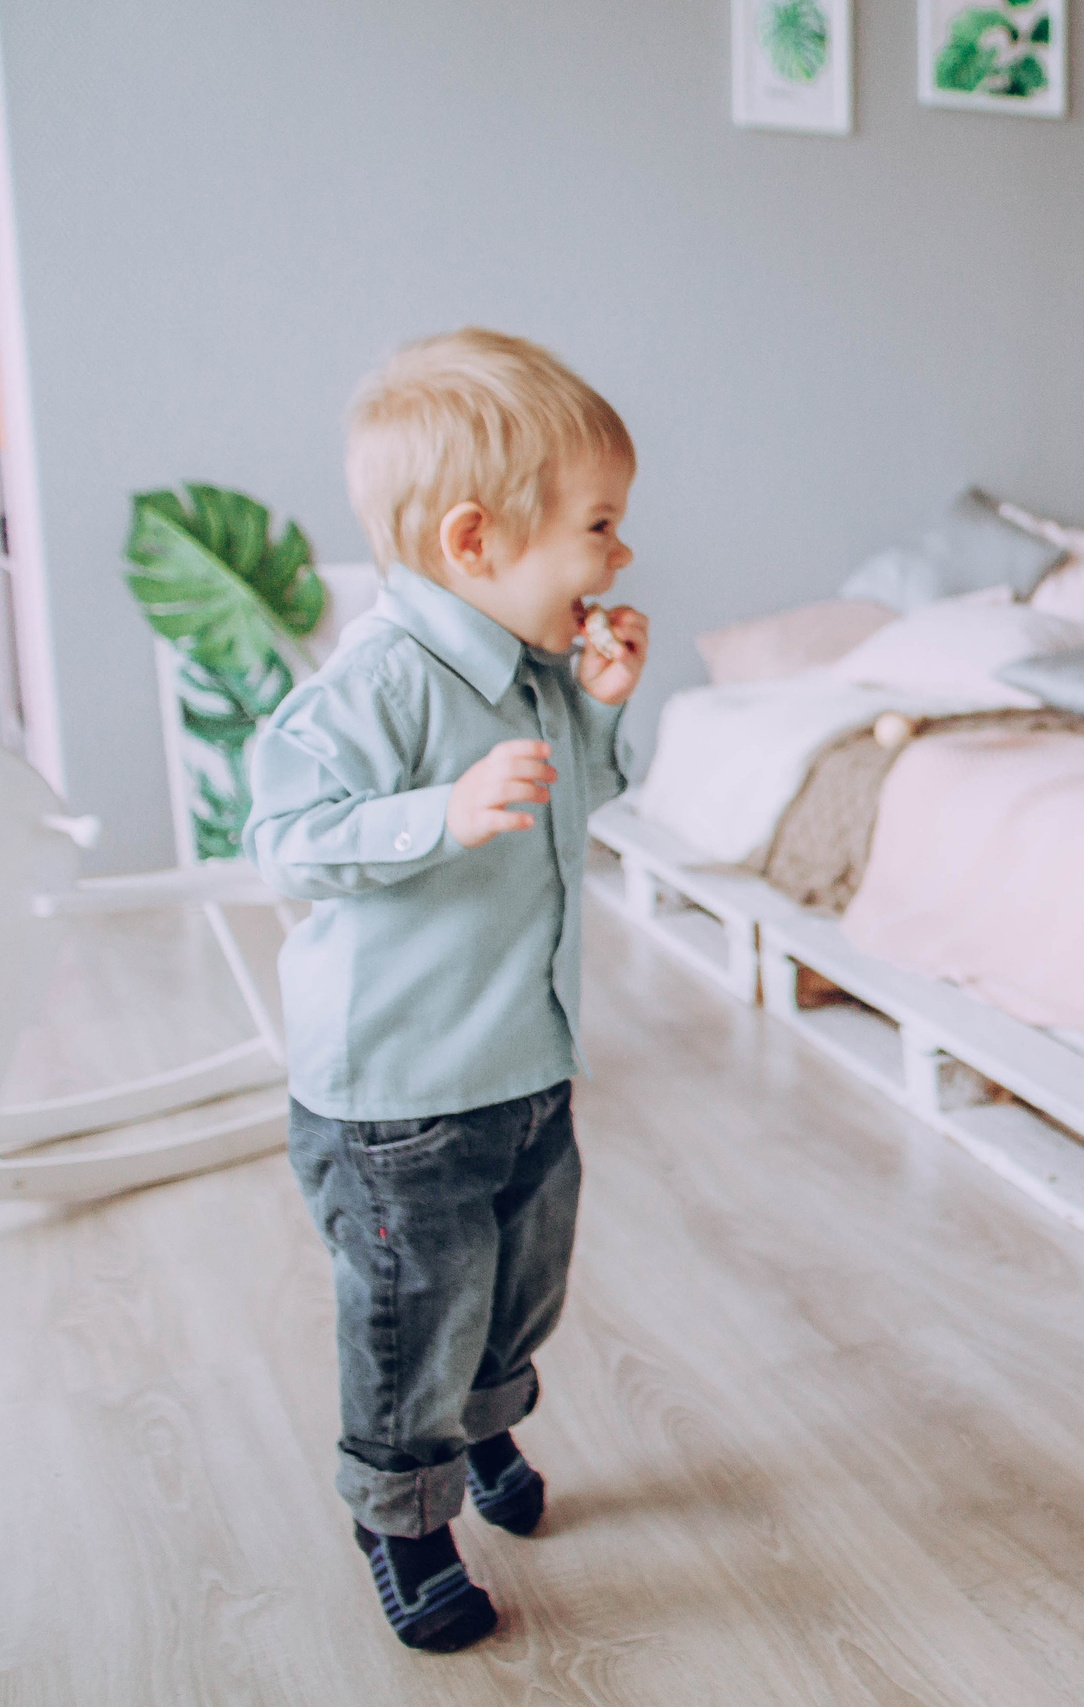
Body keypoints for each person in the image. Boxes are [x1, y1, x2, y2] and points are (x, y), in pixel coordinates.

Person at [246, 328, 649, 1652]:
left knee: (517, 1288)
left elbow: (578, 807)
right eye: (598, 525)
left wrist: (598, 708)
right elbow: (285, 844)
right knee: (416, 1313)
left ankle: (480, 1438)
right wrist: (440, 812)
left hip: (522, 1065)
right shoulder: (378, 684)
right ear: (478, 543)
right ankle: (402, 1517)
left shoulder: (537, 667)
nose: (619, 555)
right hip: (402, 1097)